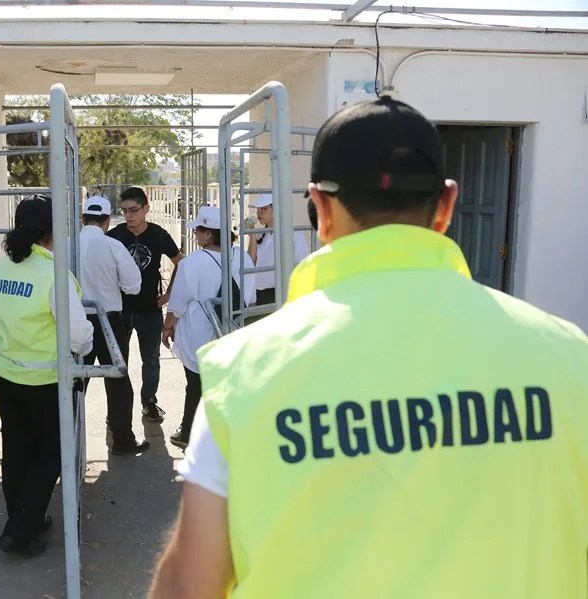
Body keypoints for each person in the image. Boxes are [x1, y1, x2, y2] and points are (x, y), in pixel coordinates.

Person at [150, 97, 588, 598]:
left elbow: (189, 587)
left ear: (319, 207)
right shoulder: (570, 359)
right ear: (446, 206)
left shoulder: (245, 375)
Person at [0, 194, 94, 557]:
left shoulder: (0, 268)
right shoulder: (53, 275)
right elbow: (79, 337)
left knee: (17, 450)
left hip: (4, 374)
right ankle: (18, 532)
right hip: (44, 382)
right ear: (53, 231)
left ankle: (23, 519)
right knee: (50, 454)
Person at [161, 205, 255, 449]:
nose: (195, 234)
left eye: (199, 230)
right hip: (232, 330)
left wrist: (168, 328)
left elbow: (178, 303)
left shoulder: (191, 263)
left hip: (198, 335)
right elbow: (251, 295)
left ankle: (189, 433)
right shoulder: (241, 256)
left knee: (196, 385)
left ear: (209, 234)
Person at [78, 195, 150, 455]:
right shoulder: (114, 247)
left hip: (75, 321)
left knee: (74, 381)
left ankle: (65, 439)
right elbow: (133, 286)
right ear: (107, 221)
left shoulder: (64, 246)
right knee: (118, 381)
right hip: (109, 321)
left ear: (82, 218)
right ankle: (122, 441)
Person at [107, 186, 184, 423]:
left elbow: (180, 262)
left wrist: (170, 293)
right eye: (125, 211)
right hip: (119, 310)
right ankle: (117, 411)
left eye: (133, 210)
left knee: (151, 359)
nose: (129, 215)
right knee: (118, 362)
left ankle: (149, 402)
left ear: (146, 209)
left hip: (150, 310)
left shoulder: (159, 235)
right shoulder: (114, 235)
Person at [246, 193, 311, 308]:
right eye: (258, 209)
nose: (259, 212)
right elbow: (250, 263)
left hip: (281, 293)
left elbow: (302, 265)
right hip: (258, 293)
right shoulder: (260, 234)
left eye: (264, 208)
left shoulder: (293, 233)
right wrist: (252, 237)